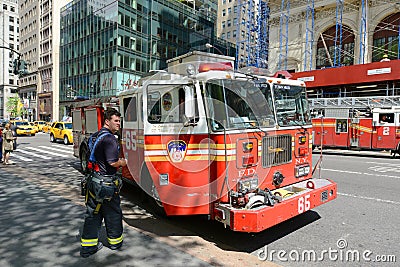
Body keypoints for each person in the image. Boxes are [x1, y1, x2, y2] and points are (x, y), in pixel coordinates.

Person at [80, 108, 127, 258]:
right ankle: (115, 243)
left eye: (119, 121)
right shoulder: (110, 139)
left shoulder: (95, 136)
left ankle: (88, 247)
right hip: (106, 183)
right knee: (113, 213)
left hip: (94, 181)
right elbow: (112, 162)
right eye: (116, 121)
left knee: (93, 213)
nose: (119, 124)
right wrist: (123, 162)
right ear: (107, 121)